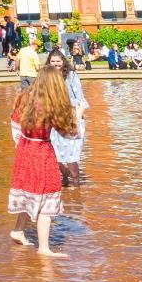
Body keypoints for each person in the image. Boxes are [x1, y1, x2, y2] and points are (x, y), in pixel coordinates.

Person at [8, 81, 70, 258]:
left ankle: (18, 230)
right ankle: (44, 248)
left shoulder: (25, 96)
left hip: (25, 149)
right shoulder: (49, 103)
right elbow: (69, 133)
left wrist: (21, 144)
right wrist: (78, 114)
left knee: (30, 192)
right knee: (47, 194)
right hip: (41, 152)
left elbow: (14, 123)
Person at [42, 49, 87, 184]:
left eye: (58, 61)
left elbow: (80, 97)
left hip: (70, 117)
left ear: (63, 61)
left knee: (71, 155)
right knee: (56, 154)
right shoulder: (46, 76)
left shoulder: (71, 75)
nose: (56, 63)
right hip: (53, 118)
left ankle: (76, 182)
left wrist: (78, 116)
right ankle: (65, 178)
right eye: (53, 61)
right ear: (49, 62)